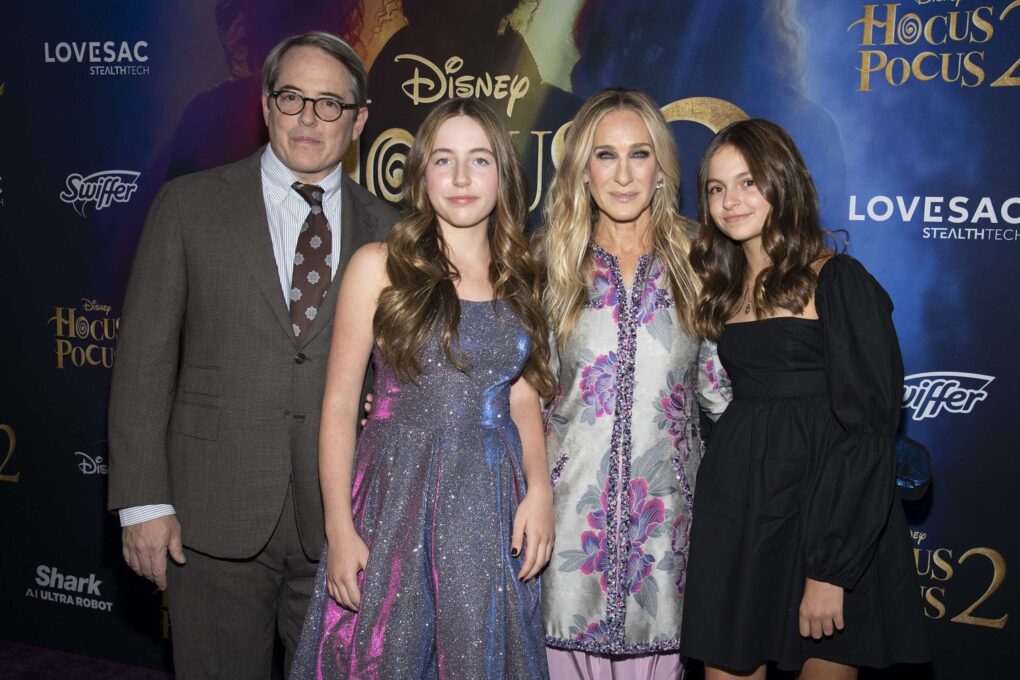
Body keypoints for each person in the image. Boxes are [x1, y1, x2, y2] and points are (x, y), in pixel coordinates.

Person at [108, 32, 398, 678]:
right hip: (210, 519)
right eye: (292, 98)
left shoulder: (394, 230)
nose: (308, 118)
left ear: (359, 121)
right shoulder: (189, 206)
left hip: (343, 524)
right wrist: (143, 502)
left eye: (329, 104)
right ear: (266, 106)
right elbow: (143, 364)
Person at [289, 97, 555, 679]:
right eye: (443, 160)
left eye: (480, 160)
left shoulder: (523, 274)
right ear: (421, 174)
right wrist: (339, 525)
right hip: (395, 495)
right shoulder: (379, 265)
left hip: (491, 499)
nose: (461, 178)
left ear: (505, 174)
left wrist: (540, 490)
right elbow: (338, 403)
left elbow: (522, 394)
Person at [681, 119, 929, 678]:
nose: (730, 200)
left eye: (747, 182)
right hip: (740, 514)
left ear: (782, 183)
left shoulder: (838, 280)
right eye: (716, 189)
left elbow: (868, 432)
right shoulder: (721, 289)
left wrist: (831, 570)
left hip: (826, 517)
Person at [540, 88, 728, 679]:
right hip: (563, 539)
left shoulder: (702, 261)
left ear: (661, 168)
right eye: (605, 155)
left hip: (669, 545)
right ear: (582, 169)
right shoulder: (543, 261)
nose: (623, 175)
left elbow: (726, 397)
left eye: (639, 155)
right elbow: (511, 391)